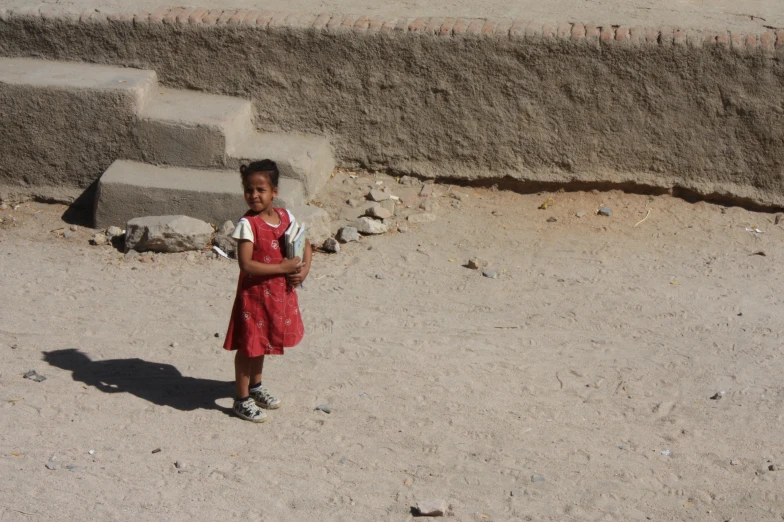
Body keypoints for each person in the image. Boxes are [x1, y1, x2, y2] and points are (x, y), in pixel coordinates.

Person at [223, 159, 311, 422]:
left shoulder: (286, 217)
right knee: (248, 345)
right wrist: (282, 267)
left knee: (262, 342)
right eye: (249, 190)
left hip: (277, 295)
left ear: (274, 191)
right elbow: (246, 264)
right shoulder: (247, 224)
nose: (254, 195)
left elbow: (305, 243)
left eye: (261, 190)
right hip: (254, 297)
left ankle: (256, 387)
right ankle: (241, 399)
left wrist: (304, 269)